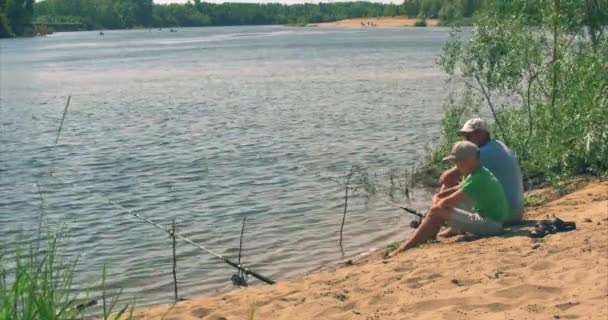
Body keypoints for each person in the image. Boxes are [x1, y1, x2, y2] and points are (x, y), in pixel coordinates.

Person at [388, 141, 510, 256]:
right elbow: (456, 189)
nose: (456, 165)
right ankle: (429, 234)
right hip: (492, 221)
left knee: (437, 211)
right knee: (438, 209)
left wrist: (436, 203)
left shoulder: (477, 179)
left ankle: (407, 247)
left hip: (491, 226)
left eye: (457, 161)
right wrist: (438, 196)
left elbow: (446, 203)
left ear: (469, 160)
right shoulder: (479, 172)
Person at [440, 118, 525, 230]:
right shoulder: (498, 145)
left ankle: (439, 223)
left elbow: (446, 178)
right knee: (467, 183)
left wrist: (440, 197)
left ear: (481, 134)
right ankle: (449, 226)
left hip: (504, 214)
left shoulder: (482, 153)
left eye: (468, 136)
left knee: (449, 185)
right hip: (518, 211)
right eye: (465, 136)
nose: (465, 140)